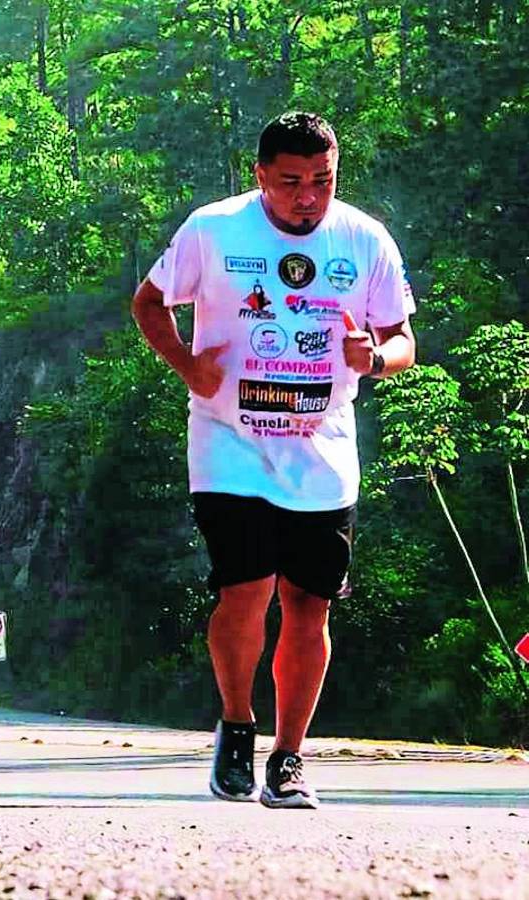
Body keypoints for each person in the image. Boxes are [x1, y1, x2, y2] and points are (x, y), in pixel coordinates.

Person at [131, 112, 415, 809]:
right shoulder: (214, 229)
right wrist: (186, 365)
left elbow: (402, 337)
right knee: (246, 590)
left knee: (308, 605)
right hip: (230, 443)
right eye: (290, 182)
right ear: (259, 175)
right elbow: (148, 302)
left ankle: (289, 757)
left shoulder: (364, 238)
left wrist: (374, 358)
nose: (308, 197)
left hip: (321, 451)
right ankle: (236, 725)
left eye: (322, 180)